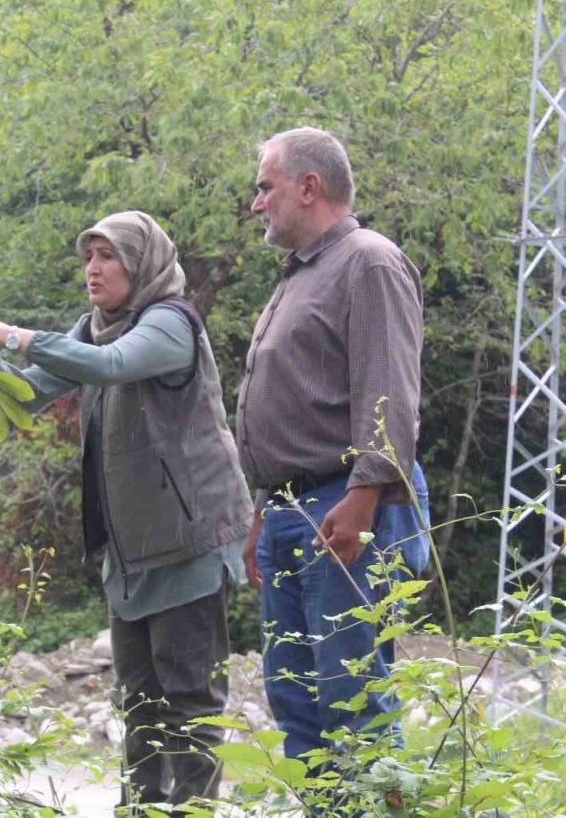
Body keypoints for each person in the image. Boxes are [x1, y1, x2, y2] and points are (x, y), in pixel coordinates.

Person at [0, 211, 252, 813]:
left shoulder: (170, 323)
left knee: (190, 701)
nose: (93, 268)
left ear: (140, 263)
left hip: (188, 544)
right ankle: (137, 809)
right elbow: (33, 390)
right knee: (137, 700)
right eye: (88, 256)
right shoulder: (94, 330)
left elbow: (112, 367)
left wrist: (9, 334)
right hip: (131, 551)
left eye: (107, 256)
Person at [236, 127, 428, 763]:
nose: (257, 203)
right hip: (294, 510)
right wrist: (264, 507)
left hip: (344, 507)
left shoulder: (368, 262)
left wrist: (364, 499)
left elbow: (388, 392)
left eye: (266, 188)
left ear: (308, 187)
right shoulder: (301, 274)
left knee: (355, 699)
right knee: (296, 700)